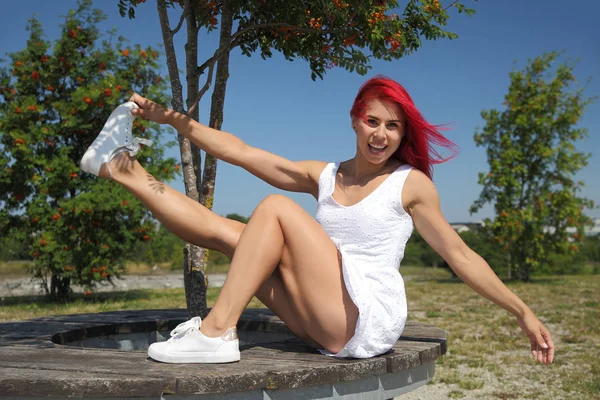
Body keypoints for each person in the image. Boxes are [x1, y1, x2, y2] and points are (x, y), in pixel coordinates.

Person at [80, 76, 555, 365]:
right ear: (355, 120)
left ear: (402, 133)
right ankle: (119, 166)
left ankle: (217, 331)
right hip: (320, 317)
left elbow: (460, 254)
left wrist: (522, 312)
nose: (381, 135)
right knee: (230, 233)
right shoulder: (325, 176)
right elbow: (243, 152)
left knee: (275, 209)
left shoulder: (409, 185)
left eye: (393, 127)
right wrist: (173, 120)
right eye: (373, 122)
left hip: (365, 319)